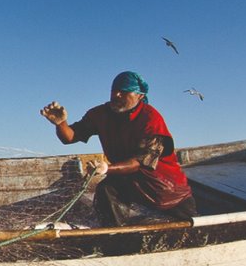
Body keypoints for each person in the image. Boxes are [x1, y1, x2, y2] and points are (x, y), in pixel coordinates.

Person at [40, 71, 197, 226]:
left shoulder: (151, 119)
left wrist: (107, 168)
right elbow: (70, 137)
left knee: (189, 228)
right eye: (114, 91)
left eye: (124, 92)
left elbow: (141, 162)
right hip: (127, 181)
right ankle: (115, 236)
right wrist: (61, 123)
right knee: (106, 190)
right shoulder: (100, 114)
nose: (117, 95)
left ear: (140, 96)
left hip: (164, 188)